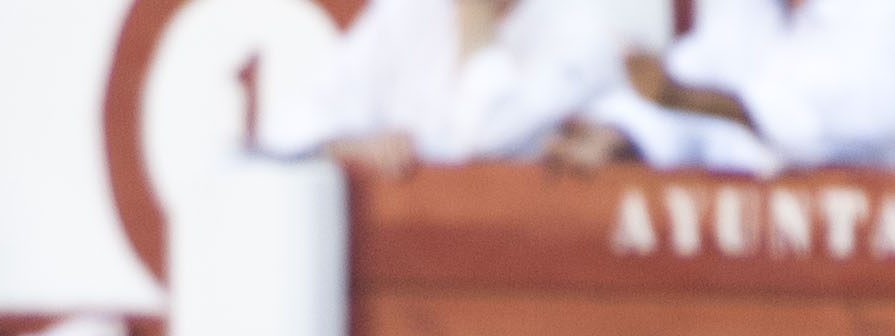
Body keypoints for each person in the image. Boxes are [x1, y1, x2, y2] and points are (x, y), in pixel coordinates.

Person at [555, 0, 895, 176]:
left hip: (870, 275)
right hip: (743, 268)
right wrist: (617, 134)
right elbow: (685, 82)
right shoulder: (747, 10)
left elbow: (821, 129)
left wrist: (689, 99)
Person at [263, 0, 624, 177]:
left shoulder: (580, 30)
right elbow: (283, 126)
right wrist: (348, 145)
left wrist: (475, 20)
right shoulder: (410, 12)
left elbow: (486, 136)